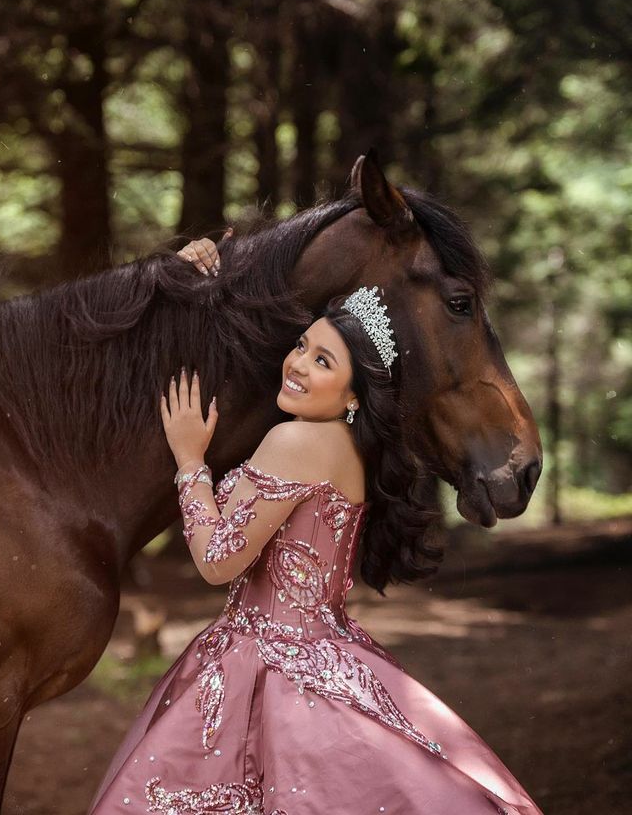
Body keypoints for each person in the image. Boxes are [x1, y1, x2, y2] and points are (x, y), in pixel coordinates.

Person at [87, 237, 543, 815]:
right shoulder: (348, 447)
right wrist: (201, 272)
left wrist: (190, 463)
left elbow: (216, 561)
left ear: (354, 393)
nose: (298, 364)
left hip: (269, 671)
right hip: (332, 655)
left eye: (323, 361)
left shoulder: (296, 439)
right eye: (302, 345)